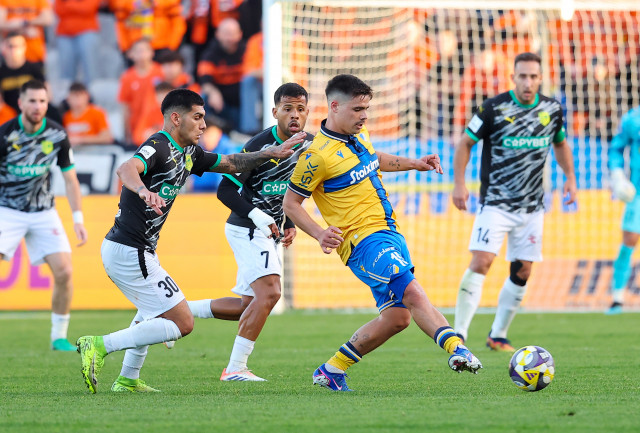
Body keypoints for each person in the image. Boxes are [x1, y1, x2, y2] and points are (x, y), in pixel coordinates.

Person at [75, 88, 304, 394]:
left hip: (138, 251)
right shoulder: (158, 145)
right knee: (182, 323)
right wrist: (143, 191)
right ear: (175, 118)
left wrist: (269, 153)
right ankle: (100, 344)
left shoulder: (189, 153)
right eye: (197, 117)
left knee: (149, 310)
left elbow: (232, 162)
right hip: (130, 251)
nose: (203, 125)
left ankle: (127, 379)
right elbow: (126, 168)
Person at [282, 74, 482, 392]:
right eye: (357, 109)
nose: (364, 116)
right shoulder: (316, 156)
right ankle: (457, 348)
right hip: (362, 242)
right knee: (412, 292)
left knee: (397, 318)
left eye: (366, 109)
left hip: (389, 232)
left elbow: (374, 160)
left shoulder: (359, 135)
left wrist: (414, 163)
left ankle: (331, 370)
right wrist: (319, 233)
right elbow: (291, 203)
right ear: (335, 106)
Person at [185, 83, 313, 381]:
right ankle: (235, 368)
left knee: (247, 305)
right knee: (271, 293)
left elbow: (285, 190)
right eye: (288, 109)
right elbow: (225, 190)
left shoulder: (308, 144)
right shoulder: (259, 146)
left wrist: (288, 222)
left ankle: (172, 310)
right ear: (275, 112)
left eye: (301, 109)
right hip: (248, 228)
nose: (295, 115)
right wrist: (258, 216)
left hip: (267, 230)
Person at [451, 52, 577, 351]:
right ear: (513, 78)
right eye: (522, 76)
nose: (528, 82)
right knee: (482, 261)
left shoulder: (551, 109)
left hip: (532, 207)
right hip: (495, 203)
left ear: (541, 78)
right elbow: (465, 143)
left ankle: (498, 334)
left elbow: (560, 144)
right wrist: (459, 184)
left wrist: (570, 177)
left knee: (523, 271)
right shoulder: (493, 108)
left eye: (533, 77)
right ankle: (458, 335)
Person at [0, 80, 88, 351]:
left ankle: (58, 337)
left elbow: (70, 179)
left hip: (43, 212)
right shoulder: (5, 135)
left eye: (42, 101)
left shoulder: (57, 135)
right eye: (32, 101)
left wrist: (77, 219)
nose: (37, 106)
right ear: (20, 103)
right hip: (7, 210)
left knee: (64, 272)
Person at [605, 106, 640, 315]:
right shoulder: (633, 118)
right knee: (629, 240)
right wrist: (618, 175)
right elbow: (616, 149)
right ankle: (617, 298)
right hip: (638, 192)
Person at [197, 17, 246, 132]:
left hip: (243, 104)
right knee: (203, 96)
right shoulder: (209, 54)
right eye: (226, 34)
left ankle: (250, 131)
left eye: (232, 34)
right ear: (217, 34)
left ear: (240, 34)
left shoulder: (247, 51)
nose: (229, 38)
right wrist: (213, 92)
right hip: (221, 104)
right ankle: (208, 130)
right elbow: (204, 81)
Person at [117, 38, 164, 146]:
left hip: (157, 125)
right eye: (138, 51)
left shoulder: (161, 72)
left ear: (152, 52)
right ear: (130, 54)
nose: (142, 54)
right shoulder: (127, 77)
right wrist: (126, 134)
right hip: (137, 127)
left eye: (145, 50)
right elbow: (125, 107)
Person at [53, 0, 101, 85]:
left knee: (90, 69)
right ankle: (67, 93)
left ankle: (92, 92)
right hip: (65, 33)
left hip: (87, 31)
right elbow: (58, 10)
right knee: (66, 71)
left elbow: (88, 8)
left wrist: (68, 3)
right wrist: (77, 5)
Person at [62, 82, 113, 147]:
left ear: (87, 96)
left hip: (95, 150)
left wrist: (80, 139)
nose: (77, 100)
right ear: (68, 98)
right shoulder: (66, 116)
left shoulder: (97, 113)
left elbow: (107, 138)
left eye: (80, 95)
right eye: (74, 96)